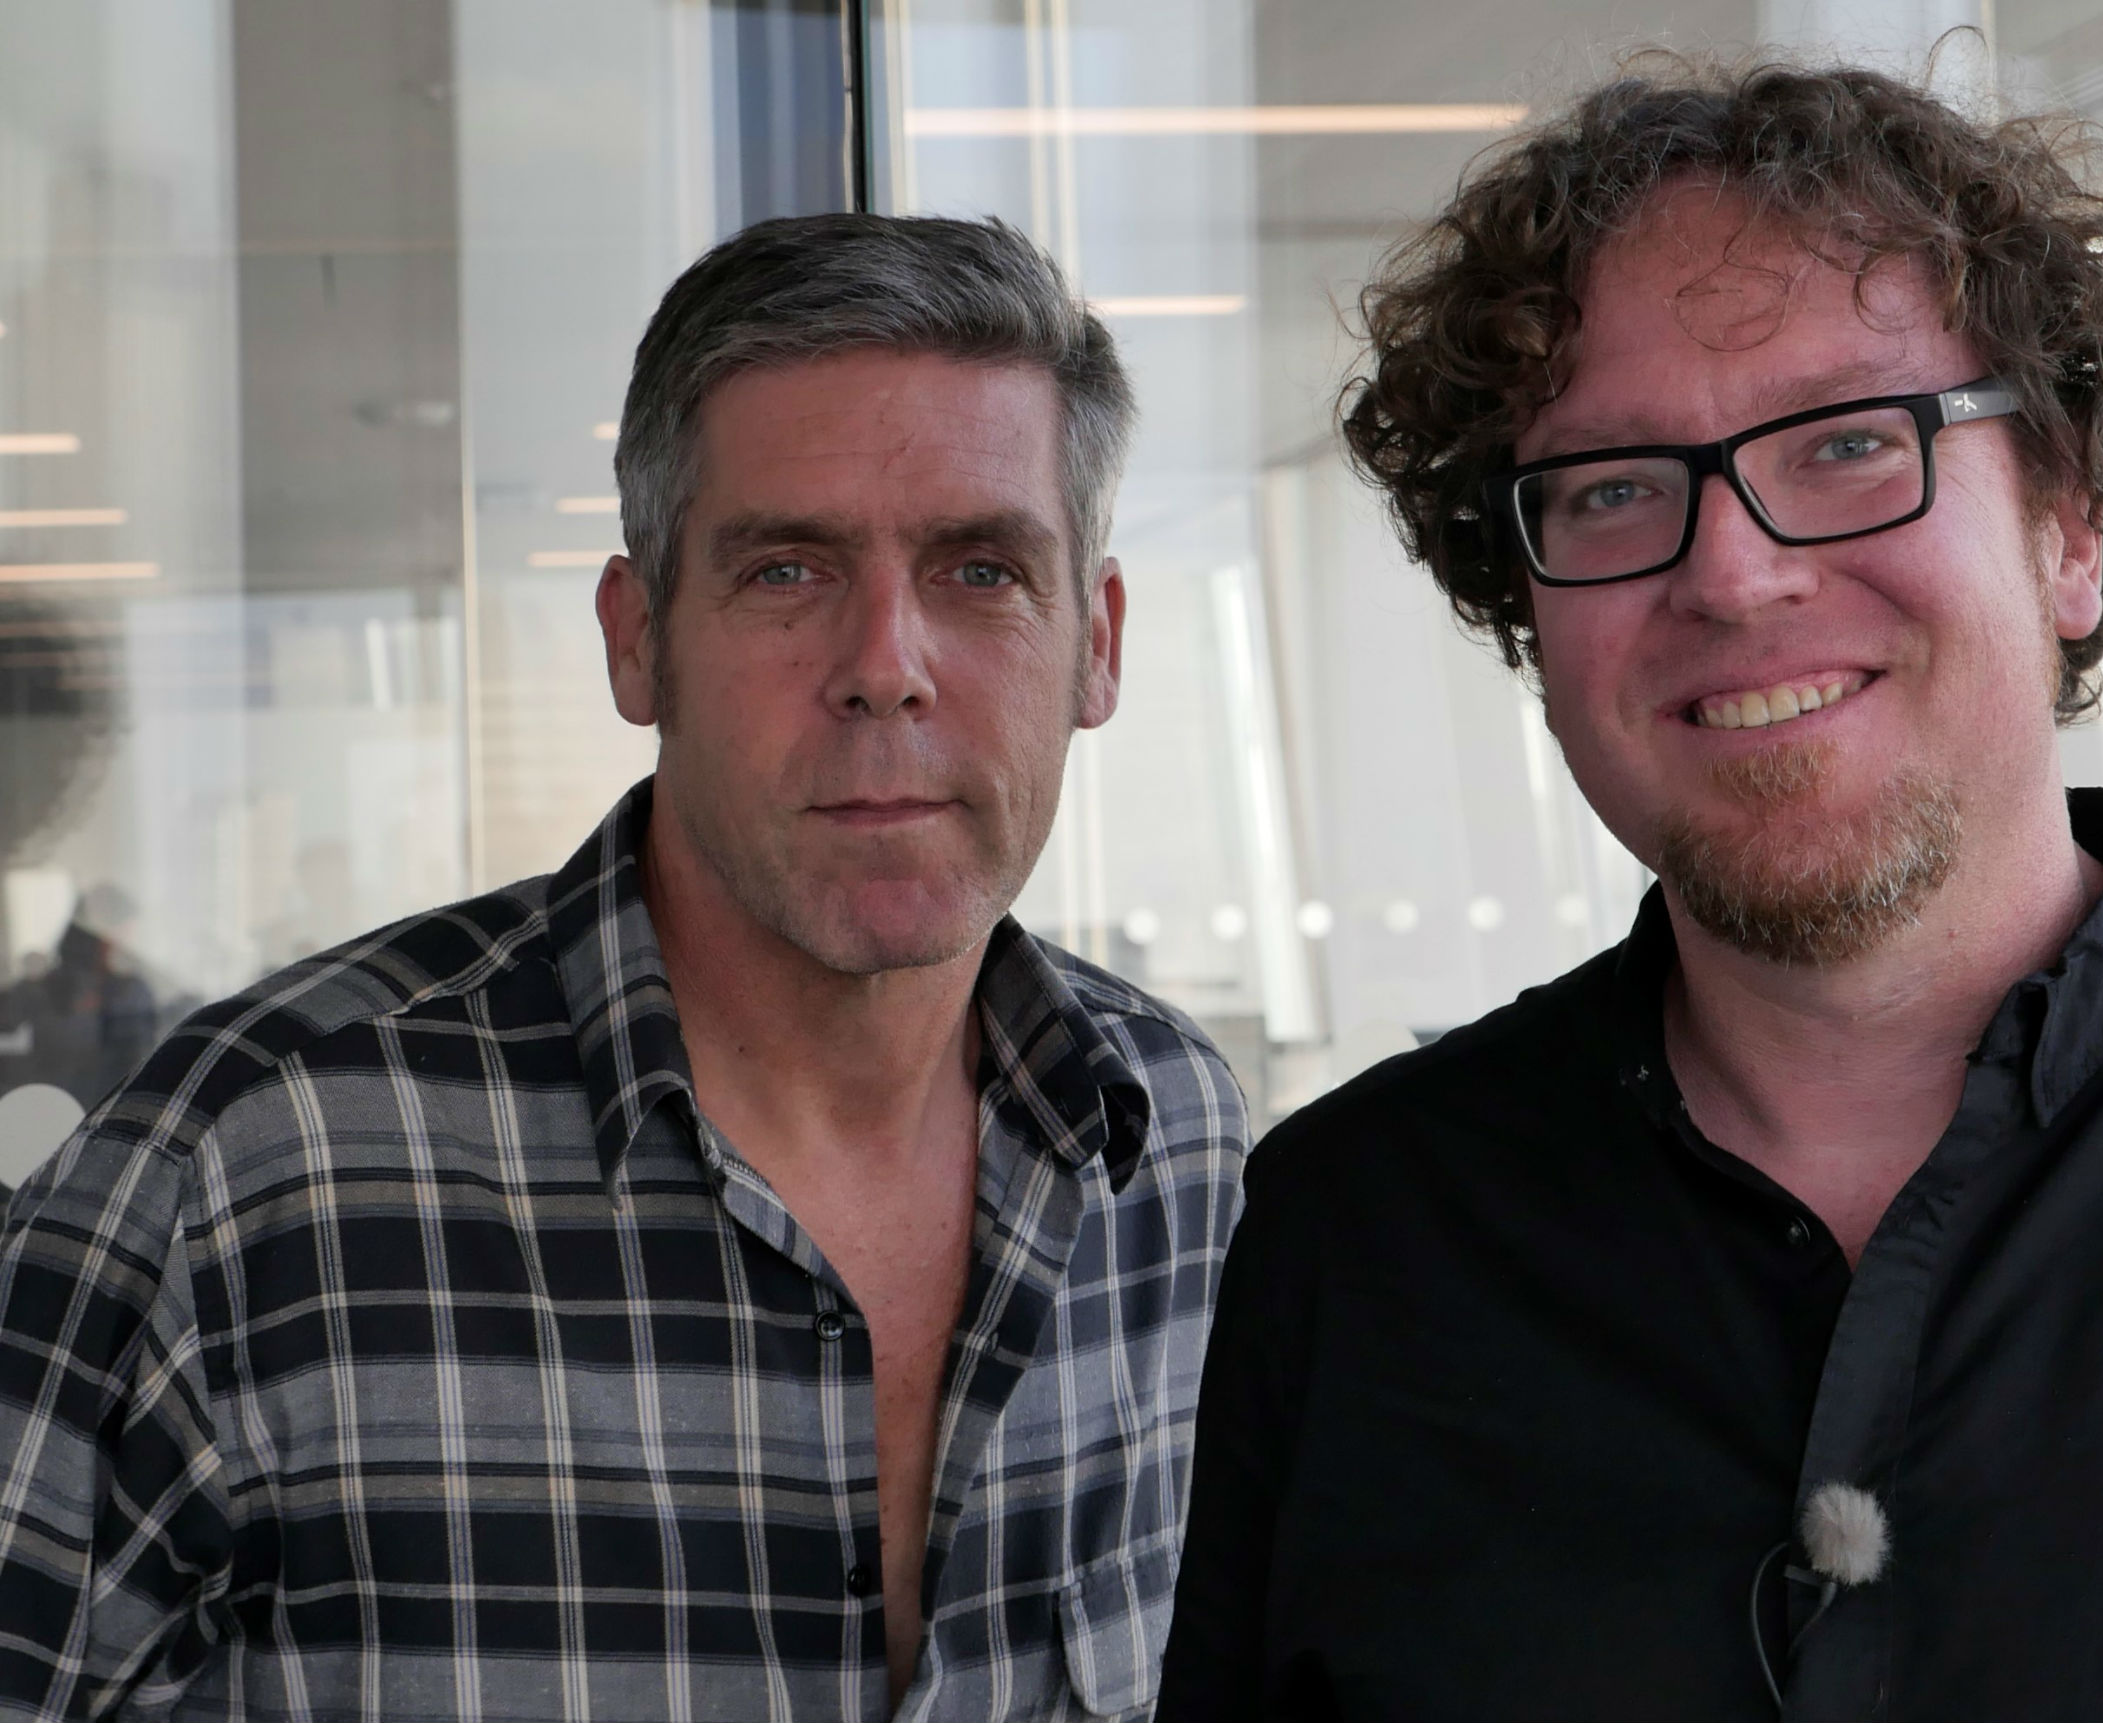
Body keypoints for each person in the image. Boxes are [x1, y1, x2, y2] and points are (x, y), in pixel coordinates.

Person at [1156, 59, 2103, 1723]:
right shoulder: (1351, 1240)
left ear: (2070, 529)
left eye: (1847, 444)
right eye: (1610, 489)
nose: (1730, 570)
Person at [0, 213, 1245, 1722]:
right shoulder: (247, 1173)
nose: (886, 663)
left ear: (1096, 645)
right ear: (636, 639)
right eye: (787, 570)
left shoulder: (1173, 1153)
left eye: (982, 570)